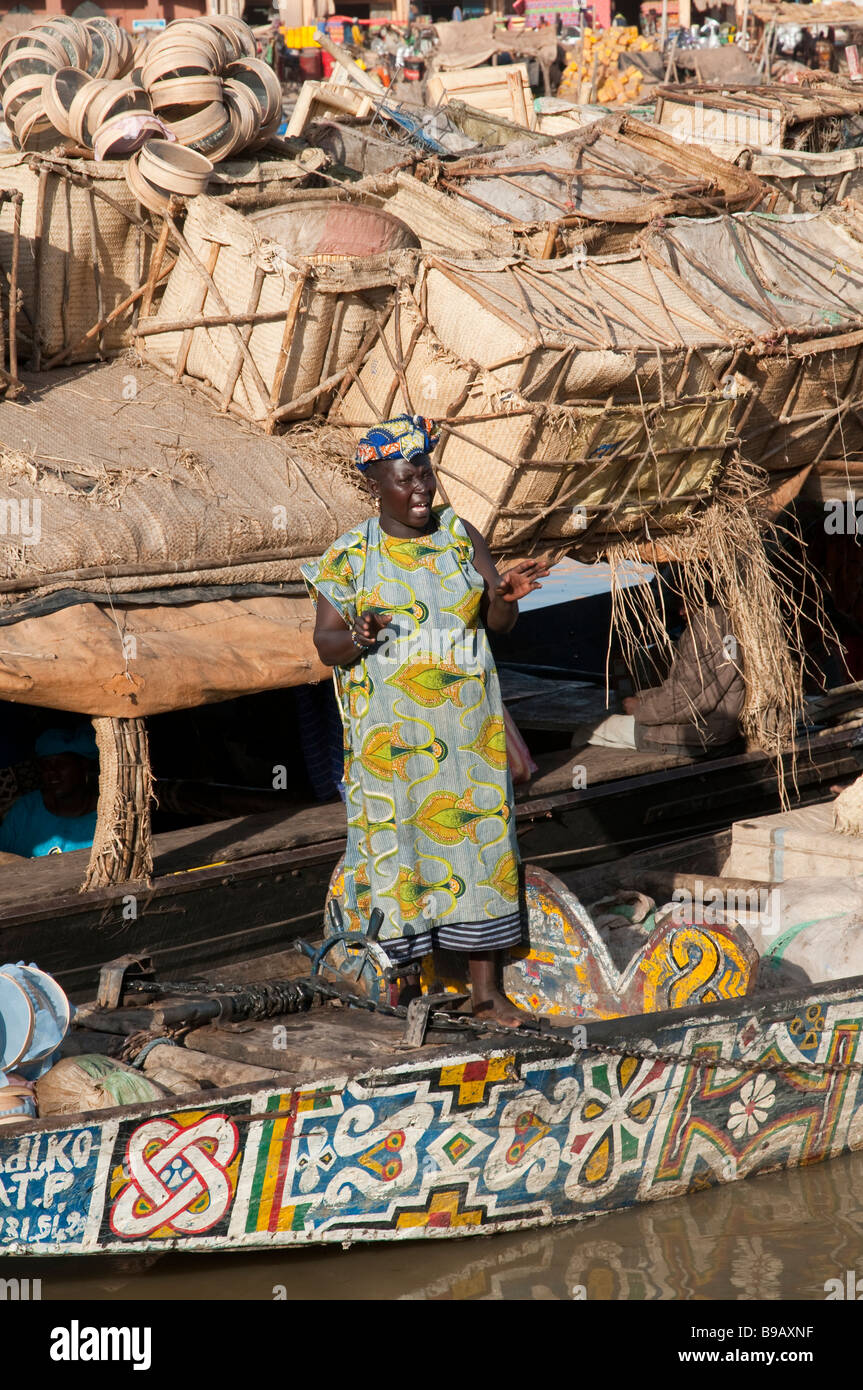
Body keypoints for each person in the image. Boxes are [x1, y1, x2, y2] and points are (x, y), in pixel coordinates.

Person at [302, 415, 549, 1026]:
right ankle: (402, 995)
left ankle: (486, 994)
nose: (422, 490)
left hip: (470, 738)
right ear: (376, 482)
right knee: (401, 852)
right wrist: (357, 637)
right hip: (394, 748)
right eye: (407, 479)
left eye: (427, 475)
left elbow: (498, 629)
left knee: (480, 848)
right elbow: (325, 644)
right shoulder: (349, 559)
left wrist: (501, 597)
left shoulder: (461, 536)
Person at [586, 595, 744, 755]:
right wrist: (643, 698)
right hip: (716, 727)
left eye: (684, 603)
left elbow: (686, 702)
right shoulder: (723, 621)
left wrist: (640, 707)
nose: (681, 612)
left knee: (589, 731)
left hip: (705, 733)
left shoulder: (706, 631)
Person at [0, 725, 99, 859]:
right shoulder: (26, 809)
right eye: (45, 765)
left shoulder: (103, 818)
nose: (51, 772)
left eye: (60, 764)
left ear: (83, 765)